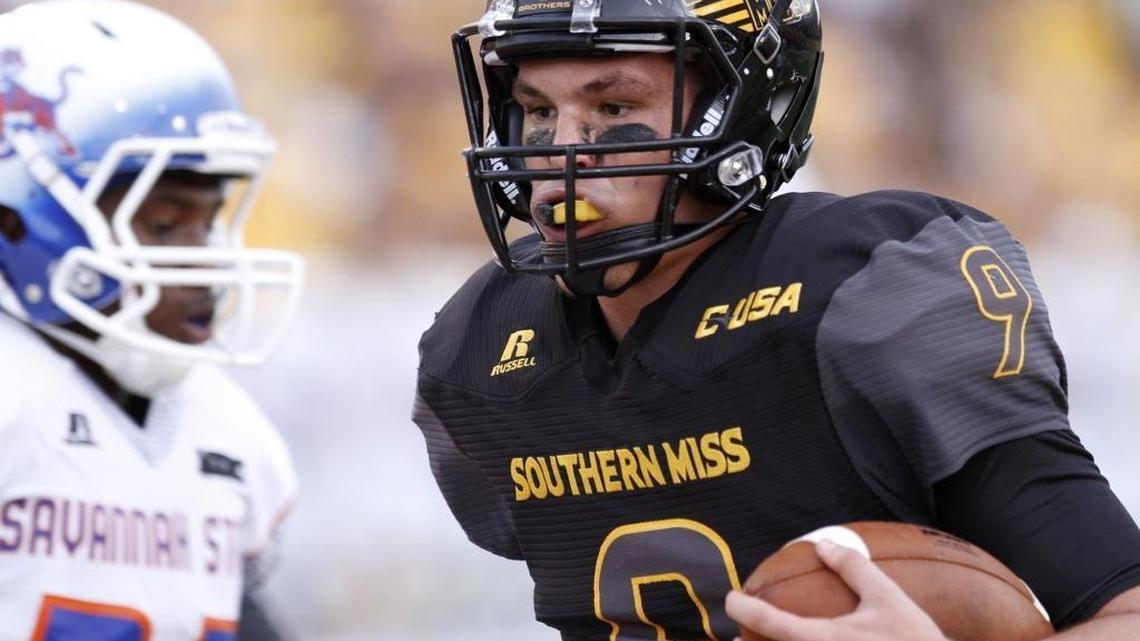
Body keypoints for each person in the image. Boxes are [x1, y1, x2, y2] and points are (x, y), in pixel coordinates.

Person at [413, 0, 1140, 639]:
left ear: (739, 109)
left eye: (614, 108)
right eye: (539, 110)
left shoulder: (857, 296)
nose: (562, 149)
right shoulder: (482, 348)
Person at [0, 2, 304, 640]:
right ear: (16, 217)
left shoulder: (228, 433)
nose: (204, 263)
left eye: (209, 220)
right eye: (163, 224)